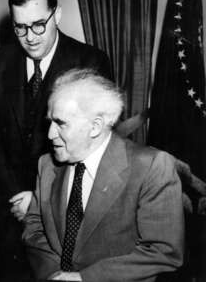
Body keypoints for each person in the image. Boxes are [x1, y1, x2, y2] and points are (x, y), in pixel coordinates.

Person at [0, 0, 111, 271]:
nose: (30, 37)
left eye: (38, 25)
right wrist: (16, 196)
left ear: (57, 15)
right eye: (20, 27)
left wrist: (39, 201)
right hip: (6, 212)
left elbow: (93, 149)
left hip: (63, 212)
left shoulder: (90, 63)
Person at [22, 68, 184, 281]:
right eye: (50, 122)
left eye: (61, 123)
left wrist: (84, 278)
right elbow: (34, 228)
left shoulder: (152, 166)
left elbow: (164, 251)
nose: (51, 134)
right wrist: (54, 274)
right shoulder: (47, 165)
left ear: (95, 126)